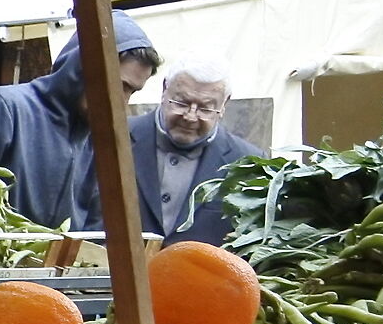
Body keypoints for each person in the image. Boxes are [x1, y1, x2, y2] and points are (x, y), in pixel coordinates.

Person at [0, 8, 161, 228]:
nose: (123, 101)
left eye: (132, 91)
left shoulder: (101, 142)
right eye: (119, 85)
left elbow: (98, 235)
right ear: (82, 67)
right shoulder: (1, 108)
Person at [70, 61, 262, 244]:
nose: (190, 116)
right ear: (164, 89)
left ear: (224, 104)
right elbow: (77, 216)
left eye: (205, 108)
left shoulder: (248, 164)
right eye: (181, 102)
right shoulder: (109, 138)